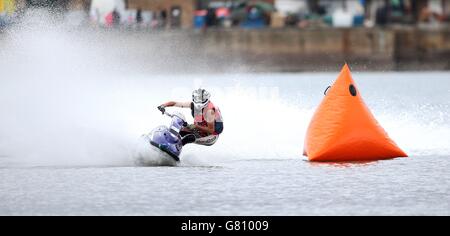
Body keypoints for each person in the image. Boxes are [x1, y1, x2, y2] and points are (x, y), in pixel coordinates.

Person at [158, 88, 224, 146]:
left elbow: (211, 130)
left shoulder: (209, 112)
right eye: (197, 99)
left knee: (188, 138)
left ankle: (175, 150)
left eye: (201, 100)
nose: (199, 102)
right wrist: (163, 105)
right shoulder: (192, 104)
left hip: (211, 136)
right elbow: (175, 103)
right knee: (180, 131)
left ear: (206, 99)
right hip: (200, 130)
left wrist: (196, 126)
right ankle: (166, 143)